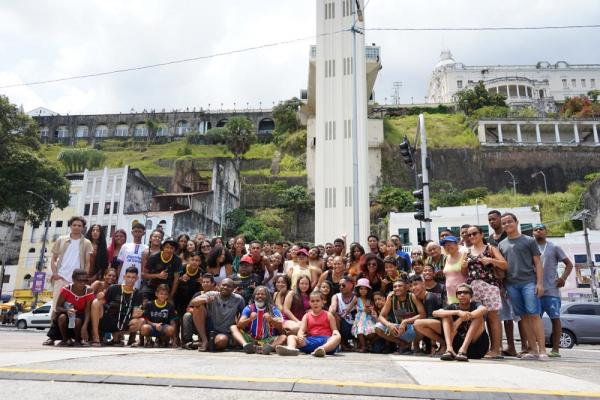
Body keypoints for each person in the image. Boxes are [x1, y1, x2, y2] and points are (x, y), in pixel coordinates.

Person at [498, 212, 548, 360]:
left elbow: (538, 263)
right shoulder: (502, 244)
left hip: (529, 282)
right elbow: (503, 268)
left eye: (509, 222)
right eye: (504, 223)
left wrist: (540, 283)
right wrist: (503, 286)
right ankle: (532, 349)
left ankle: (543, 350)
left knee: (534, 315)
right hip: (511, 285)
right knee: (523, 317)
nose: (507, 225)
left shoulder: (529, 241)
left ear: (517, 222)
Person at [44, 216, 93, 346]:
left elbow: (88, 262)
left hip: (78, 281)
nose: (77, 227)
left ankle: (73, 337)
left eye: (79, 225)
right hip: (62, 278)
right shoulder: (61, 240)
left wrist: (85, 278)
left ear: (83, 228)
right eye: (74, 225)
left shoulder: (87, 242)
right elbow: (53, 258)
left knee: (75, 311)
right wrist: (55, 273)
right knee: (56, 309)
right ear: (70, 226)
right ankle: (52, 337)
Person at [464, 225, 508, 359]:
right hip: (473, 286)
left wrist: (490, 260)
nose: (471, 236)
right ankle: (479, 348)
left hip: (489, 285)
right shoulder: (467, 251)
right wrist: (463, 266)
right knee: (476, 318)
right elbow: (464, 272)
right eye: (469, 234)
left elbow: (505, 265)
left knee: (493, 317)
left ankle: (496, 349)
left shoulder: (490, 248)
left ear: (481, 234)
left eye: (474, 233)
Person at [533, 223, 573, 357]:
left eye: (541, 229)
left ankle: (555, 350)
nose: (538, 231)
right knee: (533, 320)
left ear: (546, 231)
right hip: (534, 291)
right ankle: (536, 348)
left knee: (555, 318)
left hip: (551, 290)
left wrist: (563, 278)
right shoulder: (530, 247)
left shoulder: (554, 247)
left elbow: (569, 264)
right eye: (536, 229)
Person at [276, 290, 341, 357]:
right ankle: (291, 348)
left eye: (317, 301)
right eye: (312, 301)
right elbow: (302, 330)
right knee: (291, 337)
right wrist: (300, 335)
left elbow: (334, 329)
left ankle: (321, 349)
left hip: (326, 341)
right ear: (309, 303)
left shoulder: (328, 315)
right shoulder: (306, 316)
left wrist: (336, 333)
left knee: (337, 337)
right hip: (311, 341)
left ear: (322, 302)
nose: (315, 303)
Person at [434, 283, 489, 361]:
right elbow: (435, 313)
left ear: (471, 296)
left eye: (466, 292)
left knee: (478, 316)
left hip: (478, 347)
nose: (462, 294)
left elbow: (484, 309)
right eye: (459, 293)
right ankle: (449, 349)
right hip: (457, 347)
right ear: (456, 296)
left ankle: (463, 350)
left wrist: (462, 318)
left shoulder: (475, 304)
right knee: (445, 315)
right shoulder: (454, 306)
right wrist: (457, 312)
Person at [92, 266, 144, 346]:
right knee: (96, 302)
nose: (130, 279)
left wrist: (137, 314)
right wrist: (100, 297)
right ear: (124, 277)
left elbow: (135, 313)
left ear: (137, 278)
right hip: (109, 320)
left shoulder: (138, 294)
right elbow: (102, 301)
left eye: (133, 277)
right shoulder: (114, 288)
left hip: (124, 323)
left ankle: (118, 335)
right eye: (128, 277)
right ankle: (96, 337)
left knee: (141, 320)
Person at [189, 278, 245, 352]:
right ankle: (204, 340)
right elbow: (193, 302)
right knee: (198, 307)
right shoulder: (212, 294)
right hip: (210, 328)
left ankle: (201, 344)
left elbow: (243, 315)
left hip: (226, 331)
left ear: (233, 289)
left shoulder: (239, 299)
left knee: (221, 341)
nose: (225, 287)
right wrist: (205, 300)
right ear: (218, 286)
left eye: (228, 286)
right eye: (223, 285)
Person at [230, 286, 286, 354]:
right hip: (251, 339)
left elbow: (281, 328)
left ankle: (269, 348)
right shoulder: (248, 308)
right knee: (233, 327)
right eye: (257, 294)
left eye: (263, 294)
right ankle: (246, 346)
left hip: (268, 340)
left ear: (267, 296)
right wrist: (249, 319)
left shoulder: (273, 309)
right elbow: (239, 325)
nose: (260, 296)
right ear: (254, 296)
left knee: (283, 337)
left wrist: (271, 320)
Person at [375, 279, 425, 353]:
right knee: (378, 327)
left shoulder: (412, 296)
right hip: (398, 328)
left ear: (406, 288)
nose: (397, 288)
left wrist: (405, 321)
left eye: (400, 286)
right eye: (395, 287)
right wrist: (389, 325)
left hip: (413, 328)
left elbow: (423, 314)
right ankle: (403, 344)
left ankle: (416, 344)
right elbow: (381, 317)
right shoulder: (391, 298)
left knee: (420, 324)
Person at [53, 269, 95, 346]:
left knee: (77, 320)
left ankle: (77, 340)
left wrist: (85, 326)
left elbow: (88, 310)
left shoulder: (88, 290)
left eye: (85, 280)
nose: (82, 283)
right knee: (62, 317)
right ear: (73, 280)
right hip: (67, 313)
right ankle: (65, 339)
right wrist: (67, 311)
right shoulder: (66, 289)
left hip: (81, 315)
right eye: (79, 280)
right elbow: (58, 307)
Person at [174, 251, 204, 346]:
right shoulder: (181, 269)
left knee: (185, 318)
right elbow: (172, 282)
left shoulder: (201, 272)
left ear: (200, 262)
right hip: (178, 297)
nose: (195, 262)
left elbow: (202, 290)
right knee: (177, 318)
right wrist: (180, 279)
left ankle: (185, 340)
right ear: (188, 260)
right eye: (192, 260)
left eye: (197, 260)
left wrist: (202, 283)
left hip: (191, 299)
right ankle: (176, 338)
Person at [410, 275, 445, 355]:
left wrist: (433, 345)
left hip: (444, 327)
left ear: (423, 284)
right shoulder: (420, 298)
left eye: (416, 284)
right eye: (411, 286)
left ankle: (443, 344)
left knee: (418, 323)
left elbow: (431, 321)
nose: (413, 288)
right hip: (436, 326)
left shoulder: (430, 298)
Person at [141, 237, 181, 302]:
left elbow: (176, 279)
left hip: (166, 288)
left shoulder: (177, 260)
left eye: (172, 248)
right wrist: (158, 275)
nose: (169, 250)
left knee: (171, 305)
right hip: (151, 286)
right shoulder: (154, 257)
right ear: (163, 247)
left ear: (175, 250)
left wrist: (171, 295)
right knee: (145, 303)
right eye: (167, 247)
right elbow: (143, 274)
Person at [346, 278, 377, 352]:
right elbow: (349, 307)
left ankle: (368, 344)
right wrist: (345, 313)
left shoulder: (370, 300)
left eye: (365, 289)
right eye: (361, 289)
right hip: (359, 318)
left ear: (368, 290)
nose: (363, 290)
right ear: (358, 290)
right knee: (359, 331)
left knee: (372, 331)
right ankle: (363, 346)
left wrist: (369, 310)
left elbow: (372, 310)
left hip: (368, 318)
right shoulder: (357, 298)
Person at [116, 223, 147, 290]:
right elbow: (120, 264)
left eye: (140, 231)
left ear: (143, 233)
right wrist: (118, 277)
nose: (137, 233)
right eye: (135, 231)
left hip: (138, 279)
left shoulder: (146, 248)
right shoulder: (125, 246)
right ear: (132, 233)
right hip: (124, 278)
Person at [329, 276, 356, 351]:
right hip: (343, 326)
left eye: (343, 285)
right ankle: (340, 343)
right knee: (334, 316)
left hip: (357, 326)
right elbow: (332, 308)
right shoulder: (336, 296)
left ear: (351, 285)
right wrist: (332, 311)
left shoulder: (357, 296)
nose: (341, 287)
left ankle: (361, 343)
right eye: (339, 285)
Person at [441, 236, 467, 304]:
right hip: (450, 295)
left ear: (456, 244)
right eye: (445, 245)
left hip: (462, 294)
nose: (448, 247)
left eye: (450, 244)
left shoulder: (464, 255)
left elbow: (467, 274)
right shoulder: (446, 258)